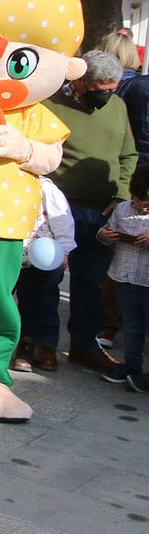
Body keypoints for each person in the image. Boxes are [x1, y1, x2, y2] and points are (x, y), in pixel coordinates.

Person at [37, 50, 138, 373]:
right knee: (46, 277)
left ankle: (84, 345)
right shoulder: (50, 103)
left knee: (91, 281)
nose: (106, 96)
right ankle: (43, 343)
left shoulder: (118, 106)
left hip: (101, 210)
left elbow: (128, 154)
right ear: (79, 81)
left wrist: (122, 194)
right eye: (100, 90)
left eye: (112, 89)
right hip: (56, 211)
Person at [11, 176, 76, 373]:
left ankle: (42, 347)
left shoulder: (45, 187)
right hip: (11, 252)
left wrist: (64, 249)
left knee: (43, 301)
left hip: (43, 256)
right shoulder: (2, 180)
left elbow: (62, 220)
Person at [99, 165, 149, 388]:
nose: (142, 208)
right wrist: (105, 235)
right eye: (138, 202)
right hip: (124, 277)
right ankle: (132, 367)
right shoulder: (122, 209)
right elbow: (104, 232)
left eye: (147, 205)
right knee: (132, 325)